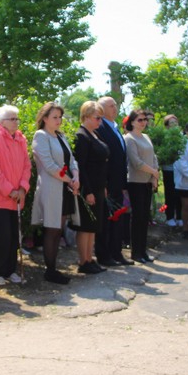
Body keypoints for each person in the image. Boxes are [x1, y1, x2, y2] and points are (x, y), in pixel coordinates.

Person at [0, 105, 31, 286]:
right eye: (13, 119)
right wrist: (10, 190)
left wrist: (23, 188)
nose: (16, 122)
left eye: (17, 118)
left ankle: (11, 270)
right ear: (2, 122)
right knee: (3, 235)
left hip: (17, 196)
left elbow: (27, 165)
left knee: (14, 235)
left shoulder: (20, 138)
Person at [31, 102, 80, 285]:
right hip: (52, 189)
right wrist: (70, 180)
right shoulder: (41, 136)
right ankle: (50, 270)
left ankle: (54, 268)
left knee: (58, 229)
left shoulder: (61, 136)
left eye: (60, 117)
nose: (59, 120)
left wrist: (75, 176)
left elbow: (72, 160)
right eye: (55, 117)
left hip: (65, 188)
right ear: (44, 119)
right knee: (52, 230)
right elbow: (49, 165)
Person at [72, 101, 109, 274]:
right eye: (97, 118)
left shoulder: (95, 135)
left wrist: (103, 187)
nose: (100, 122)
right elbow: (81, 166)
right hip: (89, 188)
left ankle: (90, 258)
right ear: (86, 116)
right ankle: (83, 261)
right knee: (86, 225)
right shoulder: (82, 136)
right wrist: (88, 191)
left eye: (101, 118)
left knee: (94, 226)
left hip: (99, 186)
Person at [94, 97, 132, 266]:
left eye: (115, 105)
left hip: (119, 182)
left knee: (118, 218)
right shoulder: (100, 128)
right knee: (107, 220)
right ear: (101, 110)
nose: (115, 108)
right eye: (110, 106)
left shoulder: (115, 128)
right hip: (108, 183)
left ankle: (117, 252)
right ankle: (105, 254)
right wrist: (105, 183)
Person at [124, 110, 159, 264]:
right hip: (135, 182)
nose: (143, 122)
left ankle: (143, 251)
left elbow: (153, 157)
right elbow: (136, 162)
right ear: (132, 122)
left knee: (145, 217)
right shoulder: (129, 138)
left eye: (145, 119)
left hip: (147, 181)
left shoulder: (146, 137)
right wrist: (153, 171)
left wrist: (154, 176)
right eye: (140, 120)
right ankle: (135, 252)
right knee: (137, 217)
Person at [160, 114, 182, 227]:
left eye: (175, 123)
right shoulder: (164, 138)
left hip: (180, 170)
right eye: (171, 123)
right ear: (167, 126)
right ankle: (169, 216)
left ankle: (179, 216)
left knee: (180, 192)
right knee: (170, 193)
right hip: (168, 169)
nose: (174, 125)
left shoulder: (181, 137)